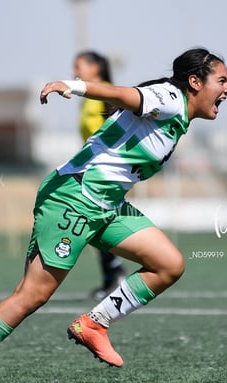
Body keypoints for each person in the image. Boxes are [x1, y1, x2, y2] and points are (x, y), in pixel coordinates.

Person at [0, 47, 227, 383]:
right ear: (195, 82)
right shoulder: (169, 98)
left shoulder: (178, 115)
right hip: (73, 198)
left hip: (106, 205)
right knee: (33, 294)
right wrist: (73, 86)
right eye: (222, 81)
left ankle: (94, 323)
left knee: (168, 264)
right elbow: (123, 94)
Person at [73, 50, 128, 300]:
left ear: (95, 68)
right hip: (93, 168)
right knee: (96, 221)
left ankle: (116, 274)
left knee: (96, 220)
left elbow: (120, 126)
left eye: (79, 67)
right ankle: (113, 276)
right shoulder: (89, 95)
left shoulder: (105, 91)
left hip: (106, 168)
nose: (75, 72)